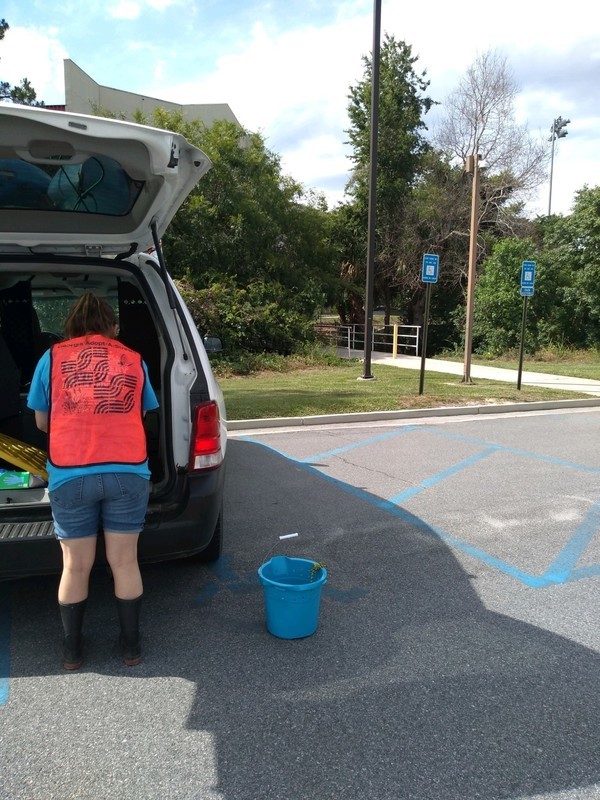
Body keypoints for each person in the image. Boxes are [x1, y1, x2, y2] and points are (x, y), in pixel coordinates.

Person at [27, 293, 159, 670]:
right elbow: (145, 410)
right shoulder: (132, 358)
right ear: (112, 326)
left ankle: (72, 652)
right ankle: (131, 647)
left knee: (75, 566)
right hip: (128, 471)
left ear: (71, 325)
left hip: (70, 473)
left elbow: (40, 422)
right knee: (124, 562)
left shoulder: (50, 358)